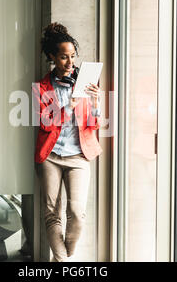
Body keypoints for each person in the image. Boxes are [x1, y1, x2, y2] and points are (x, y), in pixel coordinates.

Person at [33, 22, 102, 262]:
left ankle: (62, 256)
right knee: (52, 213)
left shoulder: (85, 85)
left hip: (78, 156)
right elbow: (44, 122)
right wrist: (69, 106)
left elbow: (94, 125)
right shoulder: (41, 88)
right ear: (52, 56)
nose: (70, 62)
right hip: (50, 155)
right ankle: (63, 262)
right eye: (64, 57)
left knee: (77, 213)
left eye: (73, 56)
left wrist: (95, 104)